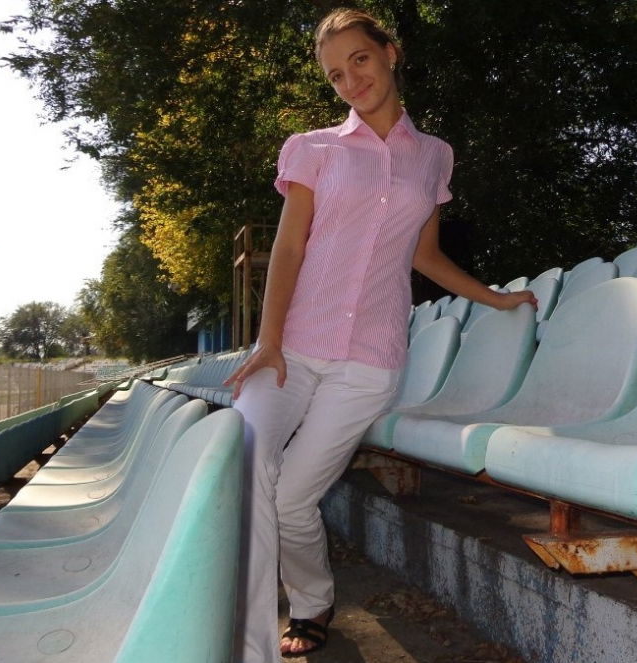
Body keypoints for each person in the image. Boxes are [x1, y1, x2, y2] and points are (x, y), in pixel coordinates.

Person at [226, 8, 537, 661]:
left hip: (369, 360)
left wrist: (497, 297)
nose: (350, 80)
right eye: (336, 74)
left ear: (390, 53)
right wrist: (268, 341)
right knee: (247, 462)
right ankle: (252, 641)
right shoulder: (313, 148)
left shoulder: (434, 156)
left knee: (292, 498)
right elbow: (288, 248)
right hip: (292, 347)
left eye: (359, 60)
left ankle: (312, 602)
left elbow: (426, 256)